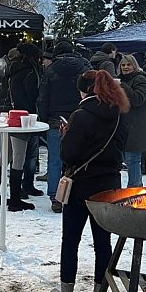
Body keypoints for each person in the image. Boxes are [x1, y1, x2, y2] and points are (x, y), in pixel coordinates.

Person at [49, 70, 129, 292]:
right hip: (109, 186)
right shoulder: (119, 115)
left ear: (84, 90)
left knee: (70, 240)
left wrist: (66, 136)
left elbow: (69, 154)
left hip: (80, 185)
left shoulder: (81, 115)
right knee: (103, 242)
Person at [37, 40, 91, 213]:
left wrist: (43, 118)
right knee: (79, 159)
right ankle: (78, 194)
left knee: (55, 159)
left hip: (55, 119)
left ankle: (56, 197)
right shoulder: (85, 67)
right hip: (80, 117)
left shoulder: (51, 70)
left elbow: (43, 96)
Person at [7, 43, 43, 196]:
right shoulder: (30, 72)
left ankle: (20, 187)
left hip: (15, 114)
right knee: (28, 154)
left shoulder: (13, 69)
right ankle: (25, 185)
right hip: (29, 116)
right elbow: (33, 95)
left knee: (16, 155)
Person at [118, 54, 146, 187]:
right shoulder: (121, 80)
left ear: (134, 65)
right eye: (123, 65)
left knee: (133, 160)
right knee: (128, 160)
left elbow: (138, 99)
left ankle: (135, 190)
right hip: (124, 126)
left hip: (137, 127)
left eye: (128, 64)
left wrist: (122, 86)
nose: (125, 67)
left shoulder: (141, 79)